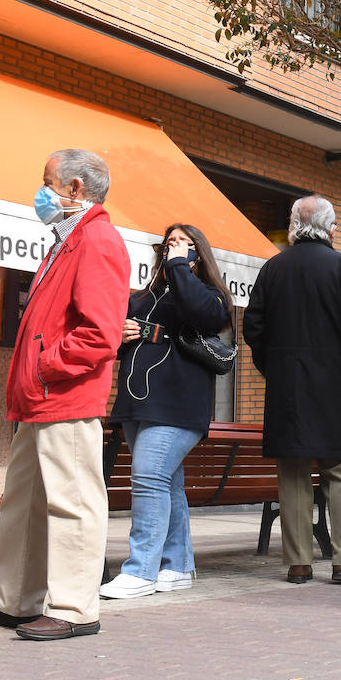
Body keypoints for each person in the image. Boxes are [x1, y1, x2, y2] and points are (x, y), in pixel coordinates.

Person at [0, 149, 129, 641]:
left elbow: (101, 334)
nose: (41, 191)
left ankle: (74, 608)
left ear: (75, 187)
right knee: (24, 504)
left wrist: (43, 367)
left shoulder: (97, 240)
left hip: (65, 396)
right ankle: (15, 601)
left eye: (47, 181)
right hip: (42, 397)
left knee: (71, 503)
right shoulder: (70, 240)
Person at [243, 196, 341, 584]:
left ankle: (298, 561)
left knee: (293, 472)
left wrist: (273, 367)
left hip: (287, 385)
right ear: (331, 228)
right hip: (336, 385)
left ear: (293, 226)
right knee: (340, 471)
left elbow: (254, 326)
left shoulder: (273, 268)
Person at [100, 224, 234, 599]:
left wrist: (178, 268)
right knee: (166, 483)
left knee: (147, 478)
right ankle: (176, 566)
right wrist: (123, 336)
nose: (175, 248)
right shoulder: (142, 298)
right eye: (170, 243)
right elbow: (120, 347)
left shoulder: (210, 296)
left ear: (199, 254)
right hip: (136, 401)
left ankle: (141, 570)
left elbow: (202, 315)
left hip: (179, 403)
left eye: (186, 244)